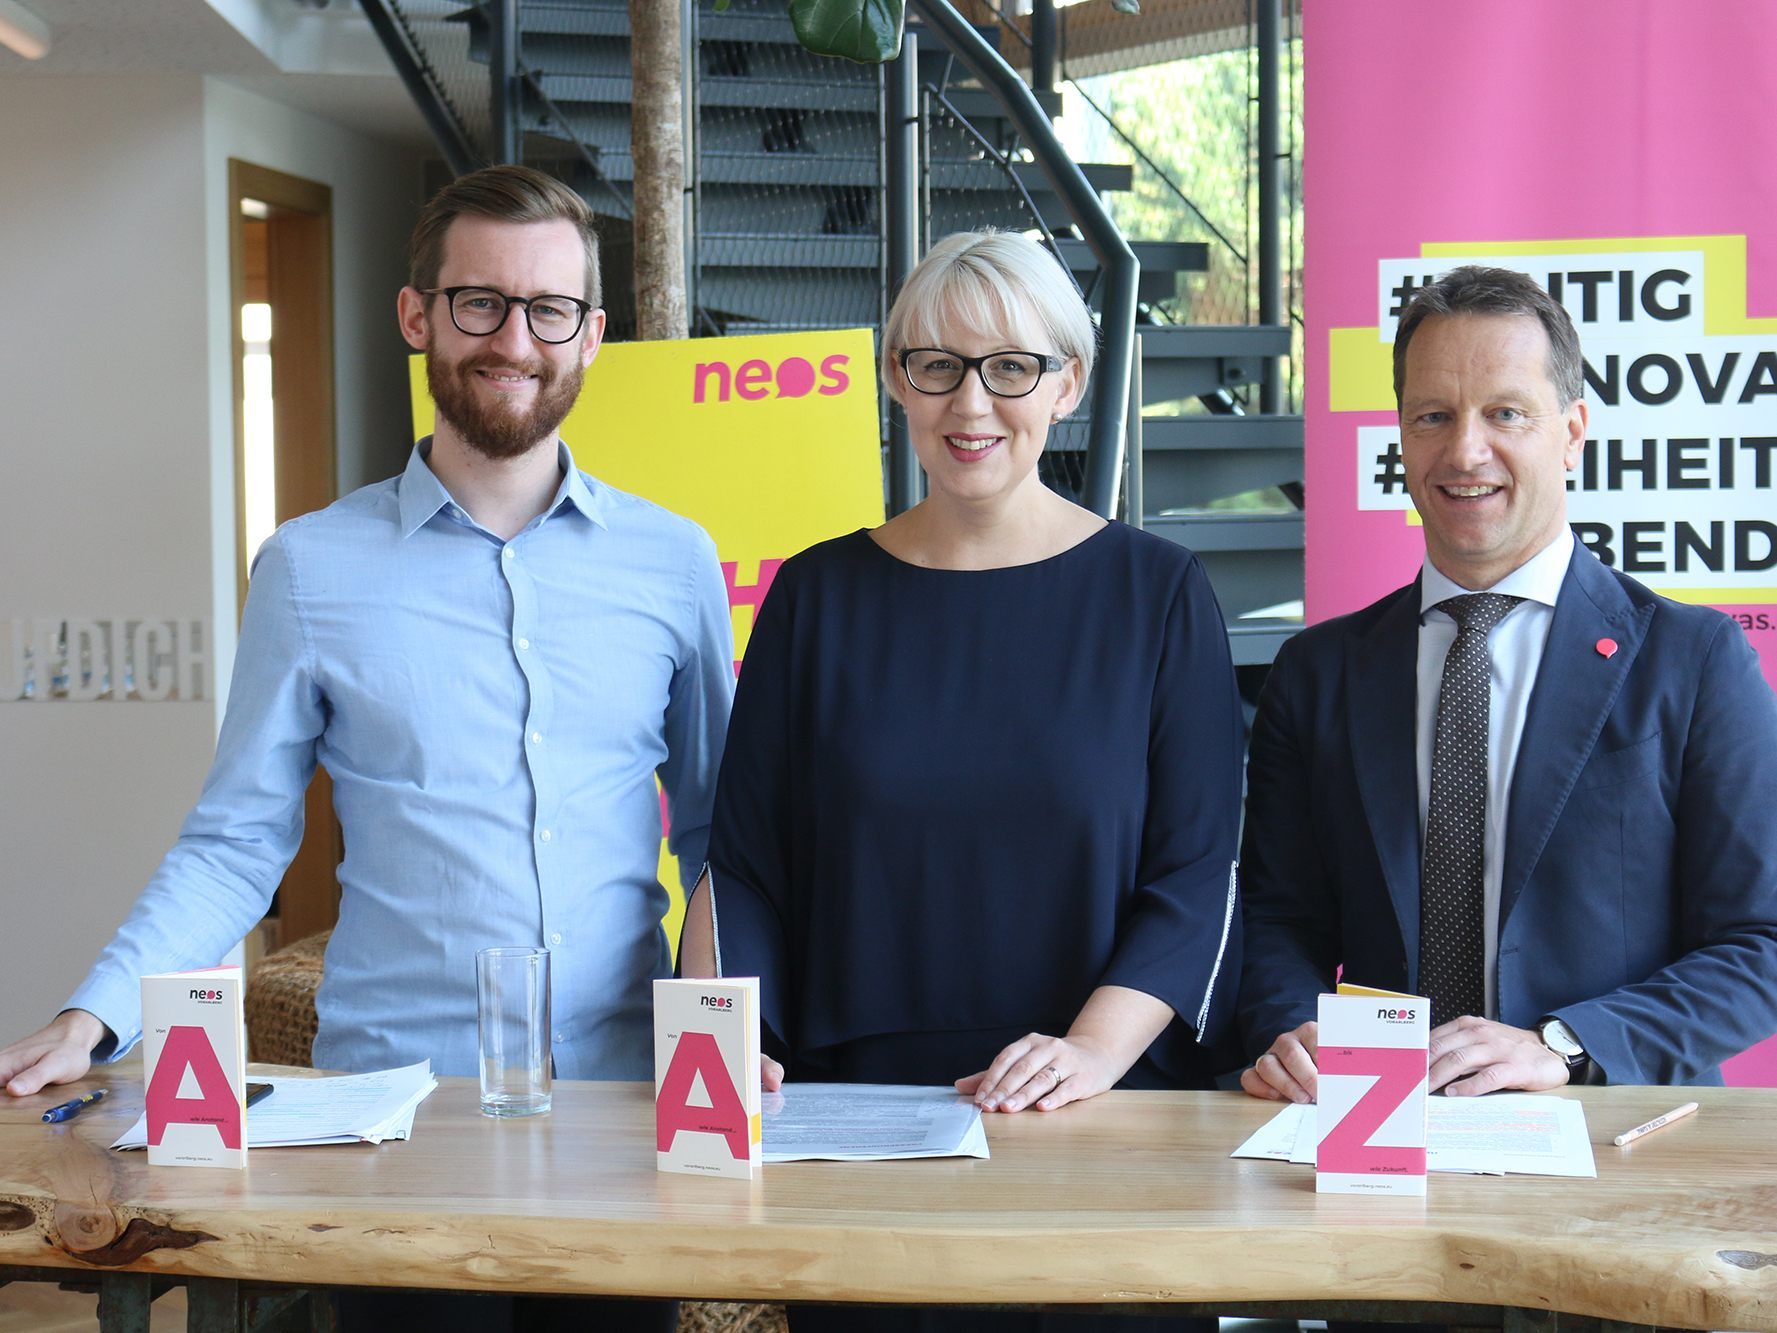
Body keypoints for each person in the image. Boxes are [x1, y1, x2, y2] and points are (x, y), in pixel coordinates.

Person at [0, 164, 730, 1332]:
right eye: (478, 301)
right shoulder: (308, 567)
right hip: (390, 1119)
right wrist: (91, 1016)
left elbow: (718, 843)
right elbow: (240, 842)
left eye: (549, 310)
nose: (514, 339)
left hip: (617, 1108)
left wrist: (746, 1042)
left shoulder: (674, 562)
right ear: (417, 316)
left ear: (592, 335)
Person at [682, 229, 1244, 1333]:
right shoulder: (815, 596)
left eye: (1009, 367)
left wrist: (1087, 1052)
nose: (969, 401)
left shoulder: (1159, 595)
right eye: (933, 364)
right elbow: (744, 865)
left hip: (1102, 1114)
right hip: (861, 1127)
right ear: (897, 379)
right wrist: (723, 1041)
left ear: (1067, 383)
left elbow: (1195, 872)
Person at [1238, 265, 1777, 1105]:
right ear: (1401, 437)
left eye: (1504, 413)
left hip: (1612, 1137)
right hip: (1368, 1132)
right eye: (1432, 416)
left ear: (1570, 432)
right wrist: (1287, 1029)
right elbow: (1276, 921)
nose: (1463, 450)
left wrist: (1564, 1046)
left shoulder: (1693, 658)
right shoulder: (1317, 674)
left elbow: (1760, 942)